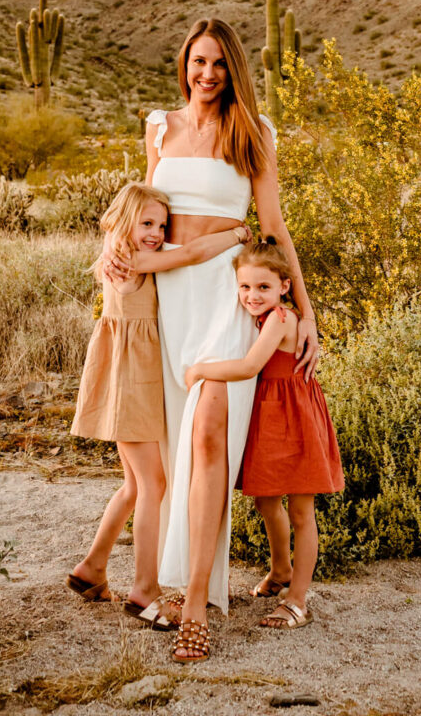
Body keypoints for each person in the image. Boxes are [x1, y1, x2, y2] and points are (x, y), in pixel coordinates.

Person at [104, 17, 319, 663]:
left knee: (207, 439)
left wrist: (304, 312)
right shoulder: (159, 128)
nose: (207, 74)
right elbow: (140, 211)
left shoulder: (254, 131)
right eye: (199, 61)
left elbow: (273, 226)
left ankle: (196, 606)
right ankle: (172, 585)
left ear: (234, 70)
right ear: (184, 64)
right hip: (168, 301)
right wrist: (111, 254)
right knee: (176, 450)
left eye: (220, 63)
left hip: (227, 297)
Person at [68, 182, 250, 631]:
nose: (156, 233)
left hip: (125, 376)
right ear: (123, 221)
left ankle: (91, 568)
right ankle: (144, 590)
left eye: (162, 226)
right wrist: (237, 235)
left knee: (134, 484)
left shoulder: (117, 251)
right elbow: (191, 254)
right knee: (155, 484)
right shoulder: (132, 259)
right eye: (146, 223)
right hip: (131, 380)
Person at [185, 237, 344, 632]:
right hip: (272, 416)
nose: (252, 295)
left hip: (296, 417)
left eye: (263, 287)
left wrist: (199, 371)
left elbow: (249, 366)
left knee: (301, 510)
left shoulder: (282, 319)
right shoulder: (260, 317)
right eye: (244, 286)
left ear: (284, 287)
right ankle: (280, 569)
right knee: (265, 501)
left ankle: (298, 601)